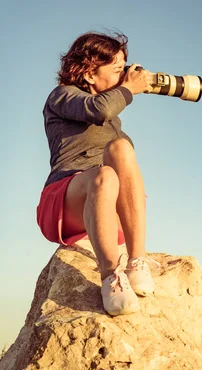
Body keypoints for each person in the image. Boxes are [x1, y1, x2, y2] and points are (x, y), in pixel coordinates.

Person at [37, 31, 158, 316]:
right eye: (117, 70)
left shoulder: (112, 121)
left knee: (121, 148)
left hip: (107, 210)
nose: (123, 77)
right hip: (66, 203)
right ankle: (111, 277)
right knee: (105, 176)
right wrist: (129, 89)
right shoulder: (63, 96)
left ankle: (137, 259)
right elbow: (98, 109)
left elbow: (117, 143)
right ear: (90, 74)